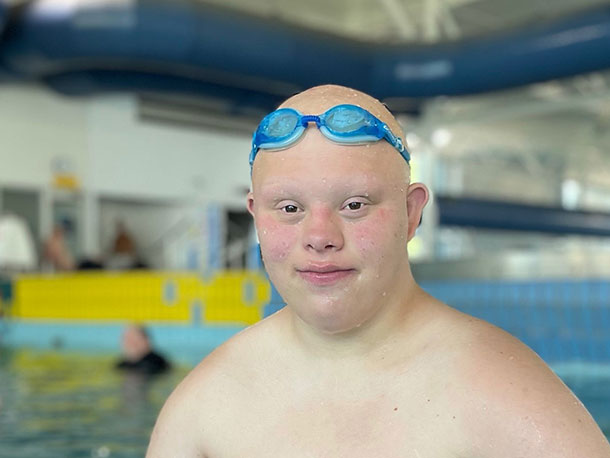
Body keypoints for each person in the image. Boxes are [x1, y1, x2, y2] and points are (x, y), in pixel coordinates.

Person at [147, 85, 610, 457]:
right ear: (255, 216)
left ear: (411, 214)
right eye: (289, 208)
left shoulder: (510, 398)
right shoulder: (202, 410)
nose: (320, 236)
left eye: (354, 205)